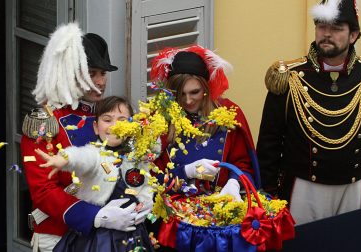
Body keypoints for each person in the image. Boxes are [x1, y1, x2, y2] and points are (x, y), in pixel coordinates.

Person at [257, 0, 361, 225]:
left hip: (353, 188)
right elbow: (269, 143)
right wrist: (269, 192)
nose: (327, 34)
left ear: (354, 35)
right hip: (303, 190)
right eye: (322, 26)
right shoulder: (288, 77)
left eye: (337, 28)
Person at [20, 23, 142, 252]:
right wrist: (97, 216)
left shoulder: (110, 115)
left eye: (103, 73)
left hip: (111, 234)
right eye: (91, 73)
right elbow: (43, 191)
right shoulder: (46, 122)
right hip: (59, 233)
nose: (100, 82)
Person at [34, 96, 155, 251]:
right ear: (96, 127)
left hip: (132, 235)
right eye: (107, 120)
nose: (115, 125)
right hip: (99, 238)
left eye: (122, 119)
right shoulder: (95, 153)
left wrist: (146, 201)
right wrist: (64, 159)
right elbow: (81, 157)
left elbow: (145, 183)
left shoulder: (138, 156)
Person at [151, 45, 261, 202]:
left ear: (206, 88)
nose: (188, 101)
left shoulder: (228, 113)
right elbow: (149, 179)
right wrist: (186, 172)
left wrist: (234, 182)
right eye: (181, 94)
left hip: (223, 207)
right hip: (176, 215)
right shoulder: (159, 120)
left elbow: (244, 165)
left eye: (194, 92)